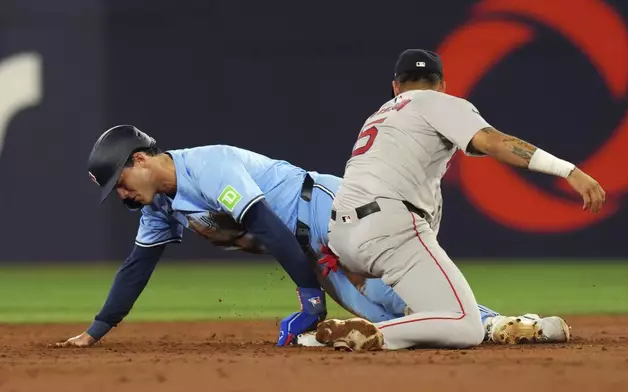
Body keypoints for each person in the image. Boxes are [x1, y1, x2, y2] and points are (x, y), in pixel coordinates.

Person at [54, 125, 570, 348]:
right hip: (307, 243)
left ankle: (501, 323)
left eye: (121, 180)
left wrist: (308, 298)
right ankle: (503, 327)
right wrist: (97, 330)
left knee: (396, 292)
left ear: (140, 160)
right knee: (382, 316)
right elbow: (137, 266)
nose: (122, 194)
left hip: (330, 209)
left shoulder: (207, 165)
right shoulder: (160, 206)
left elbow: (263, 225)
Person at [314, 49, 604, 351]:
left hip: (341, 238)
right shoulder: (437, 102)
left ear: (396, 86)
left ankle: (325, 336)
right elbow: (495, 143)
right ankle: (374, 333)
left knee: (436, 311)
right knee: (465, 326)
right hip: (388, 227)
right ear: (442, 86)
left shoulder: (380, 115)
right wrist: (567, 170)